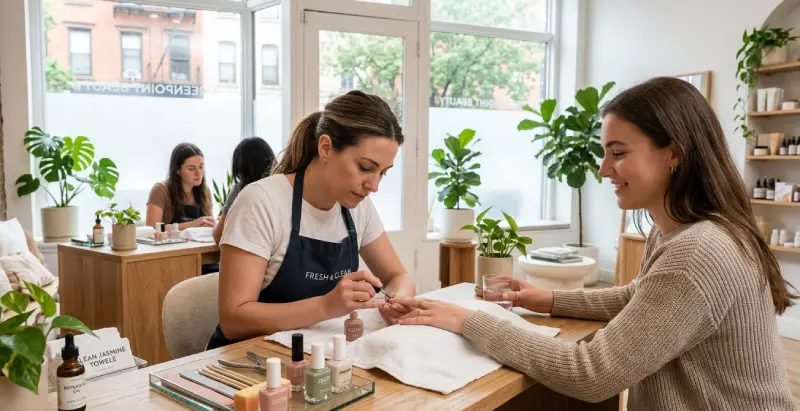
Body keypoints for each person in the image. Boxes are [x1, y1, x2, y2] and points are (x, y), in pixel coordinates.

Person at [391, 77, 797, 409]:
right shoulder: (681, 229)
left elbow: (590, 374)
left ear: (673, 154)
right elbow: (642, 299)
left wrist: (466, 320)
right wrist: (545, 299)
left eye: (618, 153)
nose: (604, 170)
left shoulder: (699, 251)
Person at [208, 90, 416, 349]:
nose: (374, 185)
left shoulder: (358, 208)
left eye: (382, 173)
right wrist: (326, 306)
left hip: (317, 356)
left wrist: (397, 299)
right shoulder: (261, 202)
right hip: (248, 361)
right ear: (326, 147)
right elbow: (233, 319)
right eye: (365, 168)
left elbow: (398, 276)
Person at [212, 137, 276, 244]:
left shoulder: (239, 191)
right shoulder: (283, 187)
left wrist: (215, 224)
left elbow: (219, 235)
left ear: (240, 167)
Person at [147, 142, 214, 230]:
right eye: (191, 168)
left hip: (198, 244)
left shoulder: (205, 191)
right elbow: (152, 228)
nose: (198, 173)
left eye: (201, 167)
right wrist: (192, 224)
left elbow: (210, 225)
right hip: (170, 243)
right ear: (177, 170)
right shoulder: (160, 190)